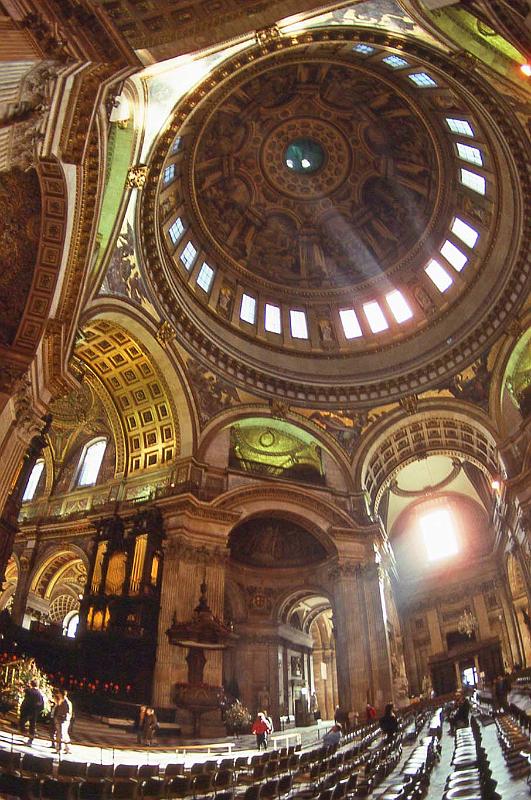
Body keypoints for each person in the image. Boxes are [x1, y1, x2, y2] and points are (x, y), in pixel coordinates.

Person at [19, 679, 44, 746]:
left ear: (31, 684)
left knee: (22, 722)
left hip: (27, 711)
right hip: (34, 712)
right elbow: (41, 704)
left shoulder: (29, 691)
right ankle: (30, 740)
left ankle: (24, 733)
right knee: (32, 726)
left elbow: (22, 690)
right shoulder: (39, 694)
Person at [53, 688, 73, 754]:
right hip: (60, 720)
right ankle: (68, 748)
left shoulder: (67, 702)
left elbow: (68, 713)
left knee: (61, 734)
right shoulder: (61, 701)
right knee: (64, 734)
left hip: (64, 721)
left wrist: (62, 718)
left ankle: (59, 749)